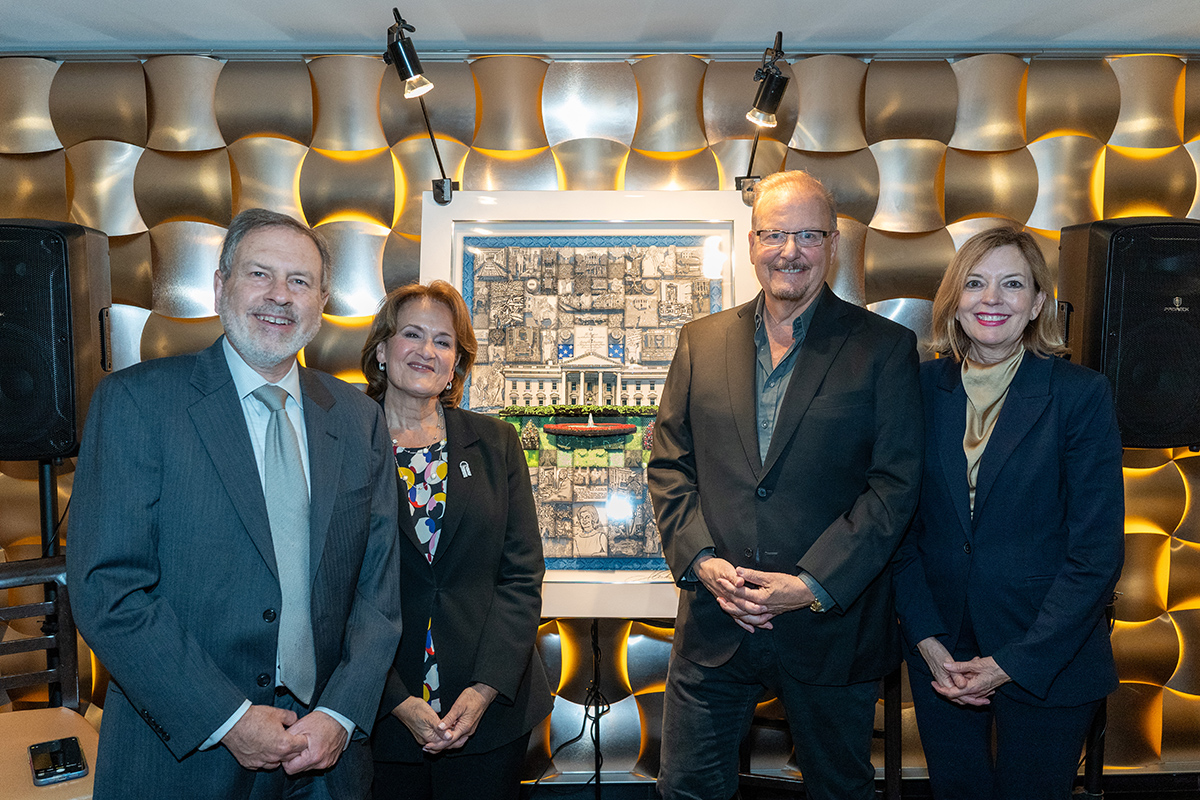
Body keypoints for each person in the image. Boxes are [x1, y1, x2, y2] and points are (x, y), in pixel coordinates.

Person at [67, 208, 402, 798]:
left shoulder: (358, 420)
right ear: (221, 286)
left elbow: (378, 591)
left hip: (325, 760)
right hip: (184, 754)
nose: (280, 296)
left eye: (299, 282)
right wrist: (228, 718)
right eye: (260, 275)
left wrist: (342, 714)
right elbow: (107, 589)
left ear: (320, 301)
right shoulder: (137, 404)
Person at [648, 170, 923, 800]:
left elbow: (894, 486)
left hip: (829, 625)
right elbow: (670, 464)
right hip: (716, 620)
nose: (789, 251)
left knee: (838, 791)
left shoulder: (884, 348)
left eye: (808, 235)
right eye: (775, 234)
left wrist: (810, 585)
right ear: (751, 243)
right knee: (687, 789)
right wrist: (702, 562)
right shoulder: (700, 341)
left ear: (832, 245)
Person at [892, 227, 1124, 799]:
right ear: (954, 299)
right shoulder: (914, 390)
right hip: (941, 654)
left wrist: (1013, 662)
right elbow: (895, 530)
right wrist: (927, 640)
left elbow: (1095, 555)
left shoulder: (1080, 395)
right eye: (975, 283)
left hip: (1051, 656)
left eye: (1011, 284)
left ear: (1037, 303)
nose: (991, 299)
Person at [363, 281, 552, 800]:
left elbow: (521, 576)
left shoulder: (496, 443)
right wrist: (394, 698)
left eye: (443, 342)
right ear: (382, 349)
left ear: (456, 363)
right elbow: (329, 589)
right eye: (412, 334)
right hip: (377, 710)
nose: (427, 351)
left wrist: (485, 687)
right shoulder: (345, 446)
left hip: (488, 711)